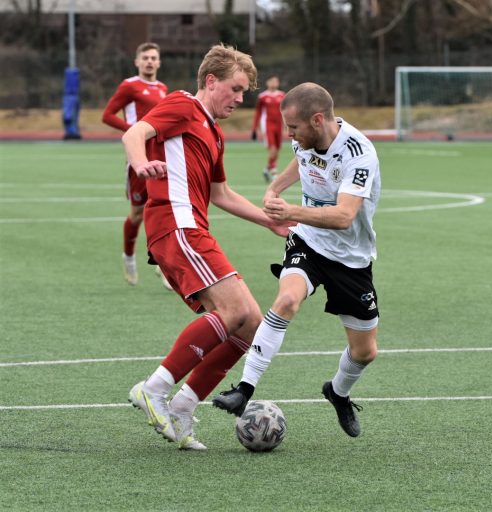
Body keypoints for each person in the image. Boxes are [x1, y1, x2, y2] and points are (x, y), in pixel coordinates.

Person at [121, 44, 292, 450]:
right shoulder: (182, 105)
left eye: (244, 93)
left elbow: (222, 194)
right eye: (234, 89)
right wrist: (141, 163)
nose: (239, 99)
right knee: (234, 311)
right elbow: (135, 133)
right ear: (210, 81)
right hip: (175, 225)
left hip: (193, 228)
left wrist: (270, 221)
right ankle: (154, 389)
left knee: (250, 322)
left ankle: (183, 407)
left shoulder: (213, 132)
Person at [213, 82, 381, 438]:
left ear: (317, 120)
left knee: (364, 352)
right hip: (308, 242)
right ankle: (244, 389)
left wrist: (291, 209)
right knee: (287, 300)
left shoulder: (359, 153)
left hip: (351, 257)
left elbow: (344, 216)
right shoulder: (306, 139)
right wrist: (275, 187)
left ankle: (338, 392)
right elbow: (300, 160)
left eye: (293, 128)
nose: (289, 134)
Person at [102, 42, 173, 289]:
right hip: (137, 160)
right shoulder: (129, 86)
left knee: (164, 210)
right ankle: (129, 256)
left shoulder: (163, 89)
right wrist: (133, 131)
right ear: (137, 62)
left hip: (160, 159)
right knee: (137, 213)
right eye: (146, 58)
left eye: (154, 57)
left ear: (159, 62)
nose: (150, 62)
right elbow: (107, 115)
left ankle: (163, 265)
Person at [251, 75, 286, 183]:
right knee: (273, 148)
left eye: (276, 81)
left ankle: (267, 169)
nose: (274, 83)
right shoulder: (263, 96)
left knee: (278, 148)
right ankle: (274, 172)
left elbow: (285, 111)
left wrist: (287, 124)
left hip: (279, 125)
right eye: (272, 81)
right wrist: (254, 128)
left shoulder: (282, 95)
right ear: (267, 83)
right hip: (268, 125)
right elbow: (258, 113)